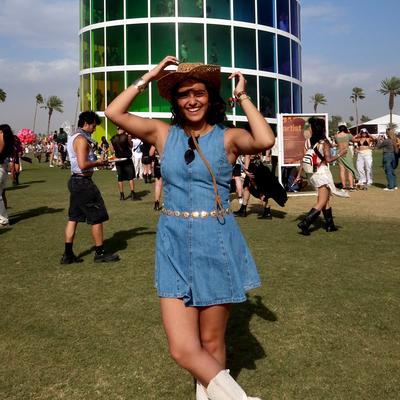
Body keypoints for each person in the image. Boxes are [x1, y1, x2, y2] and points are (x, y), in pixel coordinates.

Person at [105, 55, 275, 400]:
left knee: (211, 342)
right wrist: (150, 75)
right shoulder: (162, 134)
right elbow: (114, 112)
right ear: (176, 101)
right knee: (182, 348)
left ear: (210, 98)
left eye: (199, 93)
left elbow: (265, 139)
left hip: (216, 240)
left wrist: (242, 95)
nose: (192, 100)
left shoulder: (228, 137)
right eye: (184, 94)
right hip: (172, 241)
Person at [60, 111, 120, 264]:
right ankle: (100, 252)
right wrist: (99, 163)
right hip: (83, 183)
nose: (94, 129)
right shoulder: (81, 140)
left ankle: (67, 254)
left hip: (75, 181)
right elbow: (83, 164)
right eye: (93, 125)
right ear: (86, 123)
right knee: (97, 216)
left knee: (73, 217)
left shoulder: (74, 136)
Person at [295, 117, 349, 236]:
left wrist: (299, 175)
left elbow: (303, 159)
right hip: (322, 173)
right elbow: (328, 160)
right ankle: (305, 223)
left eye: (310, 127)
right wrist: (340, 154)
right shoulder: (324, 142)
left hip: (312, 174)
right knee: (322, 201)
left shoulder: (307, 142)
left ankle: (330, 225)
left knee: (325, 200)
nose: (309, 129)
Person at [110, 126, 138, 200]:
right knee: (130, 177)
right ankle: (132, 193)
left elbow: (112, 150)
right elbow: (131, 146)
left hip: (118, 160)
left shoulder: (113, 138)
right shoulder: (127, 137)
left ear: (117, 129)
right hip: (127, 159)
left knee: (120, 178)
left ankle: (122, 195)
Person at [0, 124, 15, 227]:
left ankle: (4, 220)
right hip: (3, 170)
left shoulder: (3, 142)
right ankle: (3, 219)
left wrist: (1, 136)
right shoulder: (8, 142)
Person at [334, 123, 357, 190]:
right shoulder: (348, 135)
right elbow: (354, 140)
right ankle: (351, 186)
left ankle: (343, 186)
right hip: (347, 152)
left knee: (342, 170)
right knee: (350, 169)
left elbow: (336, 142)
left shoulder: (336, 136)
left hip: (339, 152)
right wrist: (349, 133)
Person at [150, 145, 163, 210]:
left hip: (158, 163)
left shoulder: (156, 141)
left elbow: (150, 153)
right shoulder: (171, 140)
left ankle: (156, 204)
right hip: (168, 162)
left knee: (158, 185)